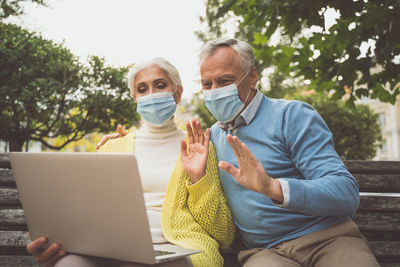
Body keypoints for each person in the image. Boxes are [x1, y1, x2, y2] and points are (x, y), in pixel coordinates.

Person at [26, 57, 235, 267]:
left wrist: (198, 179)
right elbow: (90, 214)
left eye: (160, 85)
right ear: (135, 98)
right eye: (142, 89)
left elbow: (223, 234)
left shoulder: (198, 149)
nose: (151, 95)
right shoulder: (112, 147)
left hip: (180, 248)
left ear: (177, 93)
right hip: (114, 246)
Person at [198, 37, 379, 267]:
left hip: (329, 239)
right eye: (207, 84)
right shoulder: (212, 138)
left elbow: (345, 193)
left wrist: (274, 188)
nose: (215, 91)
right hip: (265, 252)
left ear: (252, 77)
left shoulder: (292, 116)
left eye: (224, 81)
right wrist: (197, 177)